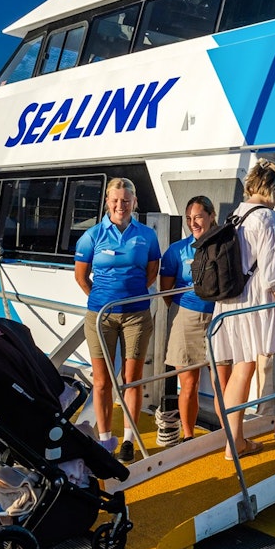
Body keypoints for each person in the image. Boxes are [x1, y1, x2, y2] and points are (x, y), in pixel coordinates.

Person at [212, 159, 275, 460]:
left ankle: (236, 441)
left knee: (243, 366)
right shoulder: (268, 219)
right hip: (261, 302)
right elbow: (273, 273)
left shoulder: (237, 213)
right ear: (271, 189)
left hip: (233, 300)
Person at [74, 178, 161, 463]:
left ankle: (128, 440)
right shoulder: (92, 236)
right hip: (101, 317)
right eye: (115, 200)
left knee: (132, 380)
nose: (120, 205)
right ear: (107, 202)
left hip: (137, 315)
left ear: (135, 203)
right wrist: (103, 300)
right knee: (101, 383)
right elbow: (81, 276)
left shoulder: (147, 236)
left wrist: (129, 297)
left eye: (126, 201)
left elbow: (151, 273)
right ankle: (104, 440)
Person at [159, 196, 218, 443]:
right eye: (189, 218)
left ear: (211, 216)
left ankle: (229, 434)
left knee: (220, 382)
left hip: (219, 317)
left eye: (198, 217)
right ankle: (189, 436)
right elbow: (167, 291)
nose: (193, 223)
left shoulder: (223, 246)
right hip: (187, 318)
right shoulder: (176, 251)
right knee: (189, 382)